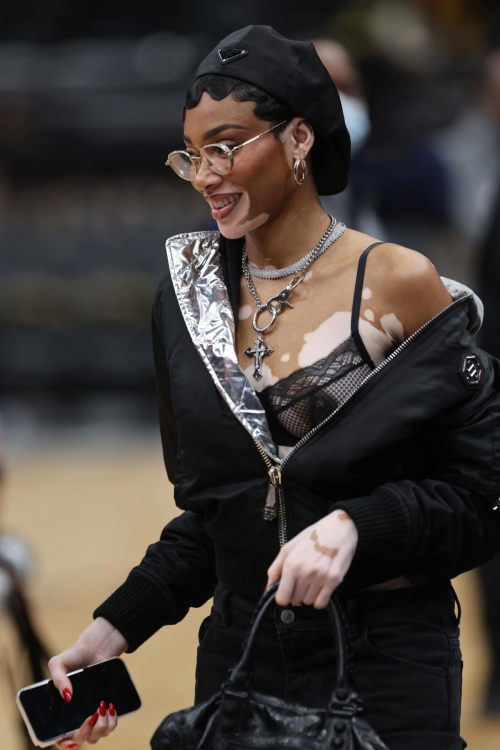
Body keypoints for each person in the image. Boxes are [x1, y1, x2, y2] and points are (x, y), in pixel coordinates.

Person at [48, 26, 500, 750]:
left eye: (226, 146)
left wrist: (357, 527)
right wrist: (114, 628)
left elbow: (480, 495)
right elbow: (221, 513)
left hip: (385, 662)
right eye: (191, 155)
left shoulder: (398, 283)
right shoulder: (187, 302)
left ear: (298, 139)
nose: (205, 175)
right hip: (241, 653)